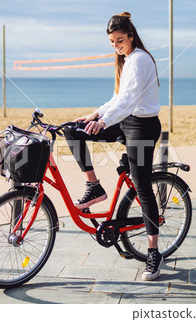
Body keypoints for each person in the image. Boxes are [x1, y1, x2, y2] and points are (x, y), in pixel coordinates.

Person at [63, 12, 163, 281]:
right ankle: (93, 186)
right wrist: (95, 115)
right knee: (72, 130)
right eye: (111, 41)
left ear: (131, 36)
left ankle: (153, 252)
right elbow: (118, 98)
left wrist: (105, 120)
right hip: (124, 120)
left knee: (142, 185)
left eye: (119, 40)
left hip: (142, 127)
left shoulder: (140, 59)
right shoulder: (126, 59)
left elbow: (129, 100)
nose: (115, 45)